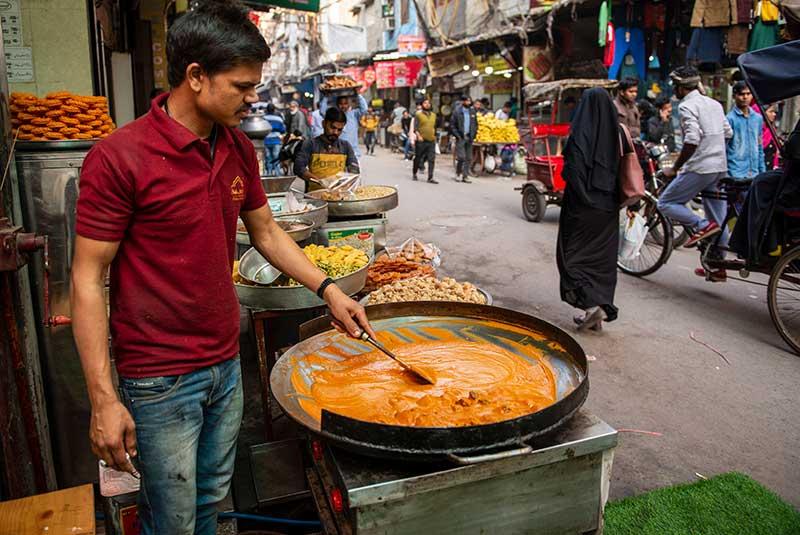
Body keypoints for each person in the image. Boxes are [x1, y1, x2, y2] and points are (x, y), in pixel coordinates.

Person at [70, 4, 373, 535]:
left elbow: (268, 232)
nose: (253, 96)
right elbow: (88, 279)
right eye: (242, 85)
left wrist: (328, 289)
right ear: (195, 77)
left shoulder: (236, 147)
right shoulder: (120, 157)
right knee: (173, 518)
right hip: (160, 376)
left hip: (224, 362)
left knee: (210, 497)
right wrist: (103, 400)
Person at [556, 88, 624, 331]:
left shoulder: (579, 135)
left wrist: (582, 195)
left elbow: (572, 171)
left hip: (581, 207)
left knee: (573, 258)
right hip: (608, 208)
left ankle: (592, 308)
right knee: (601, 261)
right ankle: (598, 309)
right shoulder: (618, 133)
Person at [657, 67, 733, 270]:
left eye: (675, 85)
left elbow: (691, 139)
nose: (674, 89)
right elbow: (728, 132)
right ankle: (718, 265)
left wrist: (675, 168)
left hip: (700, 167)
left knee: (665, 203)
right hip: (719, 167)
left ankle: (701, 225)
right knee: (718, 217)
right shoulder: (714, 104)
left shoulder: (686, 106)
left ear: (682, 87)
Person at [294, 107, 360, 192]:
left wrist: (348, 182)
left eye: (339, 130)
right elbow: (298, 168)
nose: (336, 132)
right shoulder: (310, 144)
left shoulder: (345, 146)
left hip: (338, 195)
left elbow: (354, 169)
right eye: (332, 127)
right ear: (323, 124)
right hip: (315, 196)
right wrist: (320, 182)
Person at [726, 81, 765, 181]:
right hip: (735, 172)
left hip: (754, 172)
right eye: (741, 94)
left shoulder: (758, 118)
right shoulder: (729, 119)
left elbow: (759, 145)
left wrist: (762, 171)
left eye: (748, 94)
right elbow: (724, 147)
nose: (745, 97)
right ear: (734, 96)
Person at [321, 93, 368, 160]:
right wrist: (326, 97)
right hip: (337, 154)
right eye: (341, 104)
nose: (343, 106)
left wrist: (358, 94)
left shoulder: (354, 114)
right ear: (337, 104)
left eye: (345, 103)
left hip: (354, 154)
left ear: (349, 104)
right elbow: (322, 112)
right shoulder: (334, 115)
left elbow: (364, 109)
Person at [410, 98, 438, 184]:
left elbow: (435, 127)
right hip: (421, 140)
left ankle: (430, 177)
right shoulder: (418, 115)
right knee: (418, 157)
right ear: (422, 105)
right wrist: (418, 136)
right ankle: (414, 173)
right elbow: (415, 127)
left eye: (428, 103)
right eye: (425, 103)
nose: (427, 104)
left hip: (431, 140)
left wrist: (435, 136)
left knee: (431, 159)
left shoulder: (434, 115)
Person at [451, 94, 478, 183]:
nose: (469, 103)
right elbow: (452, 126)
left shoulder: (472, 111)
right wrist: (457, 135)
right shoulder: (457, 112)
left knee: (469, 158)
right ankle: (458, 173)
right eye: (467, 101)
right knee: (461, 157)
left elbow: (475, 124)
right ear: (463, 102)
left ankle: (465, 176)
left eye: (470, 101)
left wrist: (474, 134)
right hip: (461, 137)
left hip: (469, 137)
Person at [263, 103, 286, 176]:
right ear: (274, 109)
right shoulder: (278, 119)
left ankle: (269, 173)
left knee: (268, 158)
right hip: (276, 140)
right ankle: (277, 173)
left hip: (266, 140)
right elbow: (283, 130)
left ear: (267, 109)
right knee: (276, 157)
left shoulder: (263, 118)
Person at [762, 104, 780, 170]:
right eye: (771, 111)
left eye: (775, 112)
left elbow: (775, 152)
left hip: (770, 167)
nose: (774, 114)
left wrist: (775, 165)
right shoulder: (758, 130)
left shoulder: (771, 129)